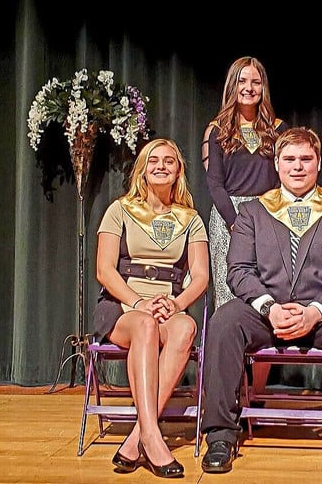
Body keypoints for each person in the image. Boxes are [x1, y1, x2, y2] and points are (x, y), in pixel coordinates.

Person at [200, 127, 322, 479]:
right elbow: (239, 270)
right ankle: (221, 435)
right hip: (268, 311)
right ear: (276, 164)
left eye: (306, 159)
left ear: (318, 164)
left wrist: (315, 311)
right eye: (289, 159)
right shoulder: (255, 212)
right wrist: (269, 307)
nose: (298, 167)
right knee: (225, 319)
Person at [94, 138, 209, 478]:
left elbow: (200, 277)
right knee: (143, 325)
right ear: (142, 171)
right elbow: (104, 270)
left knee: (187, 327)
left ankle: (139, 435)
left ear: (178, 171)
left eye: (169, 161)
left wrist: (176, 304)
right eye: (153, 160)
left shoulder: (190, 218)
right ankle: (154, 438)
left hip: (167, 306)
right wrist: (138, 301)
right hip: (123, 306)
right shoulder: (120, 210)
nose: (161, 166)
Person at [205, 56, 289, 310]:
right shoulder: (217, 130)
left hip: (267, 214)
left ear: (264, 87)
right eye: (242, 81)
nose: (249, 88)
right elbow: (215, 185)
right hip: (228, 215)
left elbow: (283, 181)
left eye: (256, 81)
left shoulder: (279, 129)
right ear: (232, 86)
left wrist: (267, 218)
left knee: (267, 290)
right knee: (228, 290)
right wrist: (235, 223)